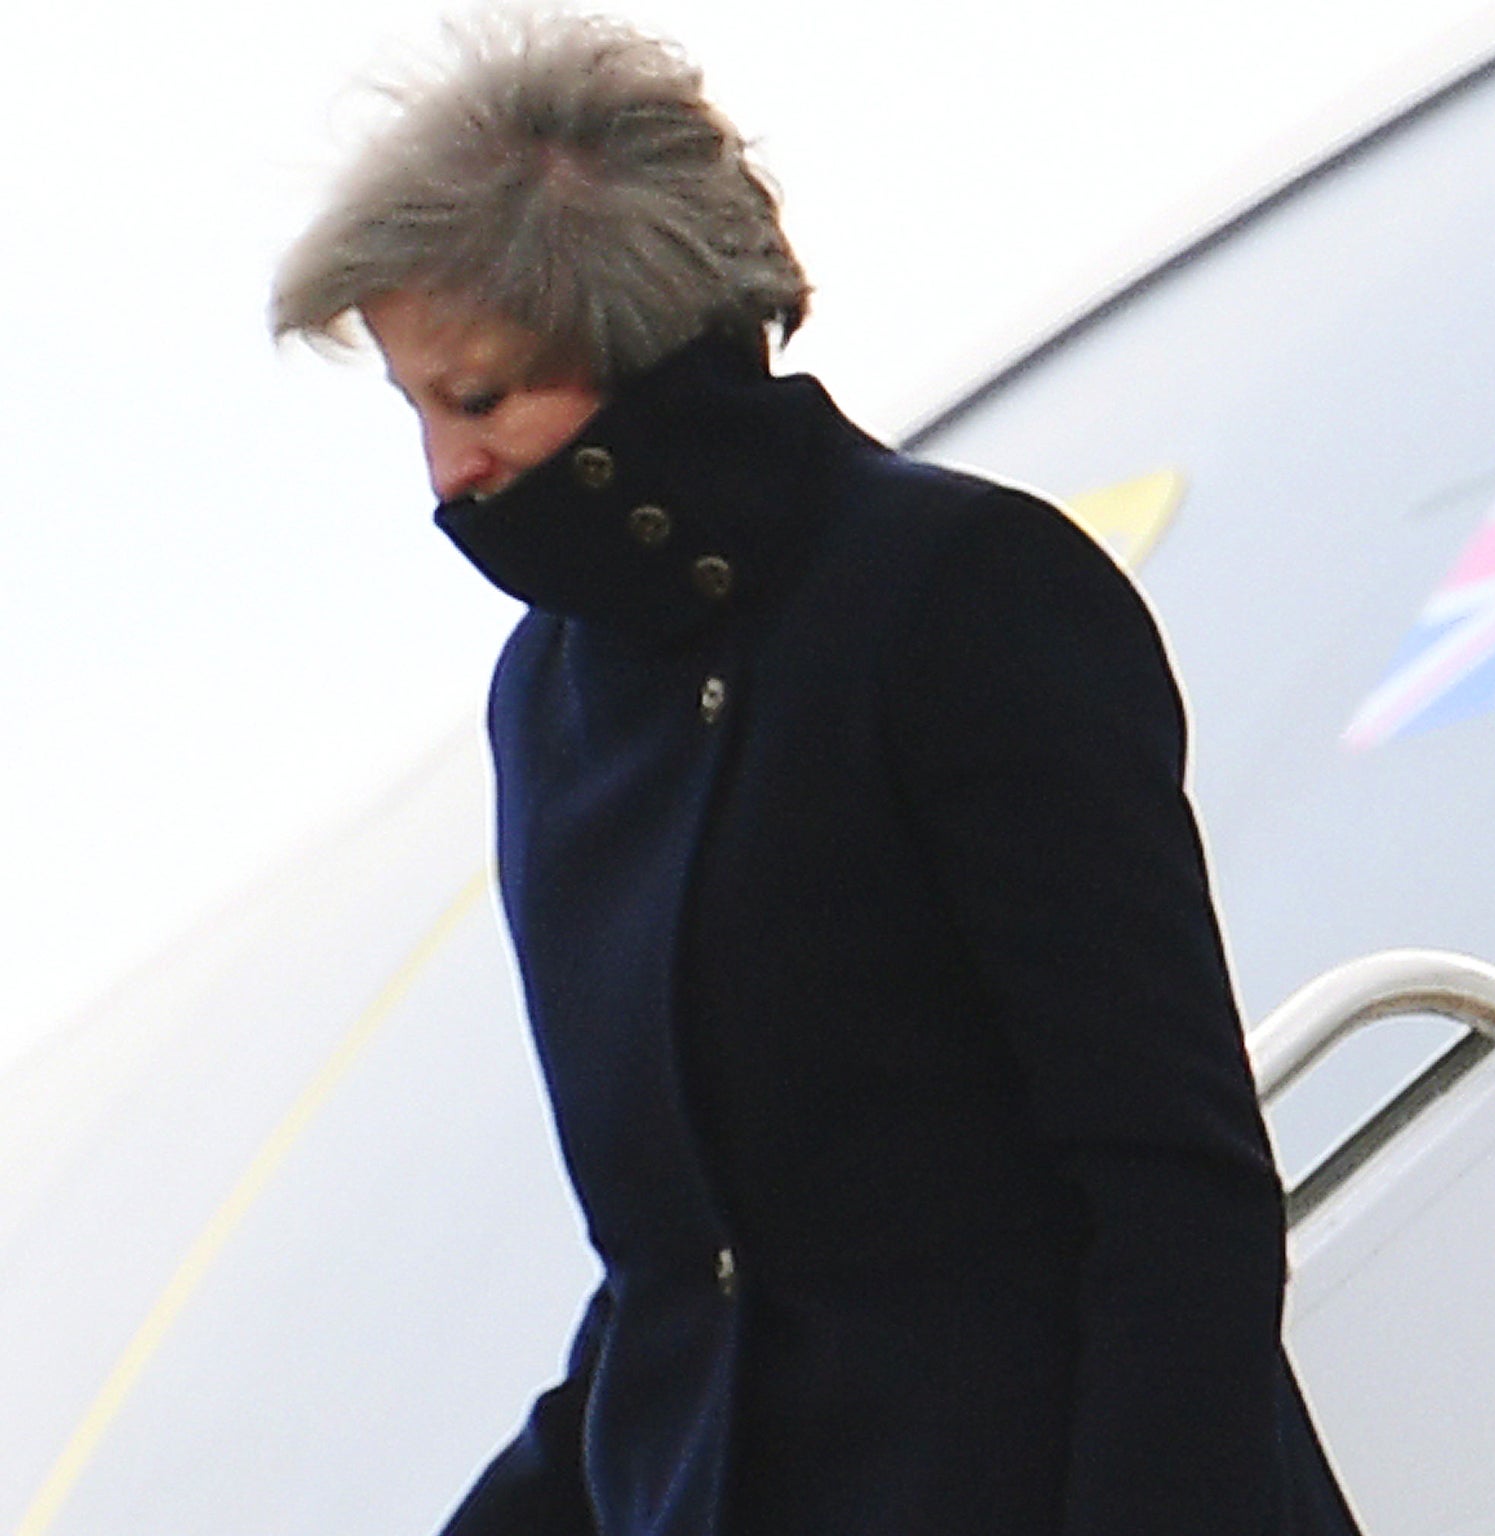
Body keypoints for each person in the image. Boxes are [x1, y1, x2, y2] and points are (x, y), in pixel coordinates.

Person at [272, 14, 1362, 1536]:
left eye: (482, 398)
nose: (447, 480)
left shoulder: (962, 592)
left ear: (645, 354)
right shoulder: (550, 698)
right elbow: (688, 1285)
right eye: (418, 411)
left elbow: (1173, 1195)